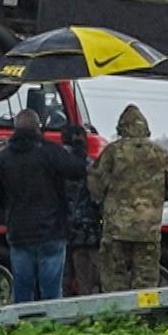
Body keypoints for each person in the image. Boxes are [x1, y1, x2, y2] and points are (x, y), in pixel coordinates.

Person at [0, 109, 87, 303]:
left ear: (15, 128)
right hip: (52, 232)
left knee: (23, 291)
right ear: (38, 128)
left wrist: (6, 215)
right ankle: (50, 320)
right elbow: (78, 171)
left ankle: (24, 320)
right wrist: (77, 145)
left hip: (19, 232)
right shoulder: (51, 152)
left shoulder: (3, 158)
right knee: (51, 293)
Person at [87, 104, 168, 293]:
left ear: (121, 127)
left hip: (116, 231)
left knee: (115, 283)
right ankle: (144, 311)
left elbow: (95, 187)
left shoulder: (112, 152)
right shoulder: (161, 154)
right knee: (146, 285)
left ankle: (119, 312)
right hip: (148, 231)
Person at [60, 122, 104, 296]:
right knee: (88, 281)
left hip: (60, 229)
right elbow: (98, 198)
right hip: (88, 231)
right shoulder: (91, 166)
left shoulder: (55, 163)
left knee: (62, 280)